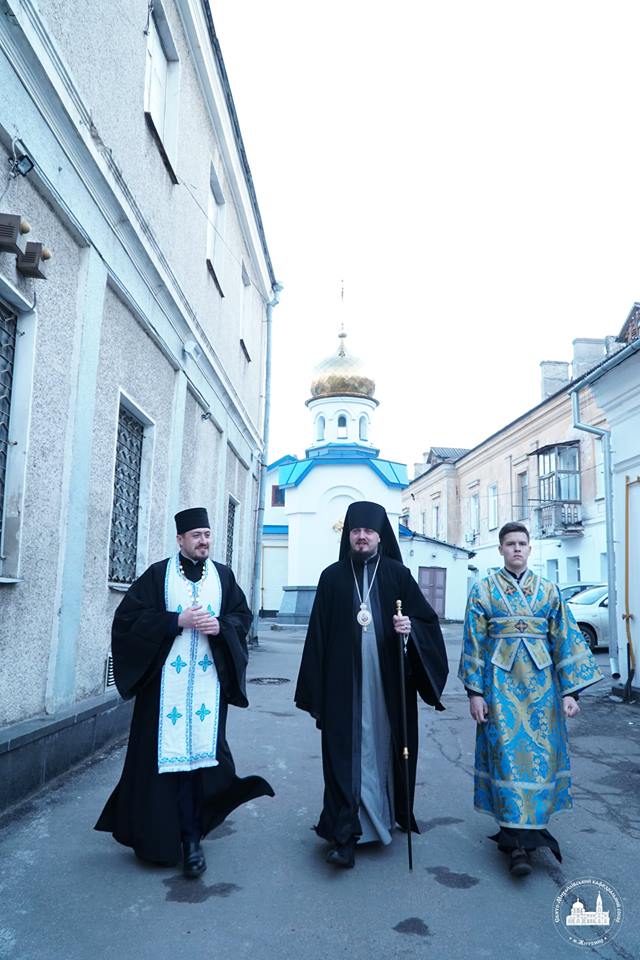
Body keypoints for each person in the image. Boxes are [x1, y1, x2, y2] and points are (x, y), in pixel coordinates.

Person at [95, 507, 274, 877]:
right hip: (163, 693)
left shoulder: (223, 577)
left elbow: (241, 617)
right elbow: (127, 620)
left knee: (199, 764)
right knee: (160, 764)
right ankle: (155, 838)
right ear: (180, 540)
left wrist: (220, 627)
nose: (203, 541)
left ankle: (192, 841)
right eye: (196, 536)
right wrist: (176, 620)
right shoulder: (158, 576)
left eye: (207, 534)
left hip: (207, 691)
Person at [295, 501, 448, 868]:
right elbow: (317, 635)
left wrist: (409, 630)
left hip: (386, 685)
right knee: (342, 755)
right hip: (342, 686)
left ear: (380, 536)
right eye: (355, 531)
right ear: (348, 535)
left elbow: (426, 621)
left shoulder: (397, 574)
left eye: (368, 531)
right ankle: (344, 834)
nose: (361, 537)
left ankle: (381, 818)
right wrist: (316, 689)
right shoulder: (332, 577)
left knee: (382, 748)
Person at [459, 522, 603, 877]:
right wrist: (475, 693)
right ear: (500, 549)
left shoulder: (549, 592)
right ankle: (517, 844)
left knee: (541, 761)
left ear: (529, 548)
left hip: (542, 693)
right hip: (500, 690)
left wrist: (571, 692)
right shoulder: (483, 590)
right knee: (506, 759)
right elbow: (473, 643)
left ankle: (533, 828)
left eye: (522, 543)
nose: (517, 549)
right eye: (510, 543)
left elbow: (566, 639)